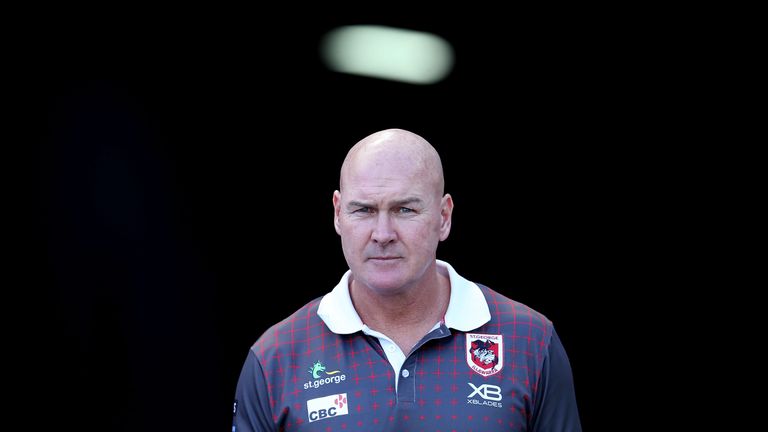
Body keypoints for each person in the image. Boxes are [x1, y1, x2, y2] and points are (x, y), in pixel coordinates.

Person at [232, 128, 582, 431]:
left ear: (444, 217)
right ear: (338, 214)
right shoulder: (277, 356)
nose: (382, 234)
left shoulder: (530, 340)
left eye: (405, 209)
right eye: (364, 210)